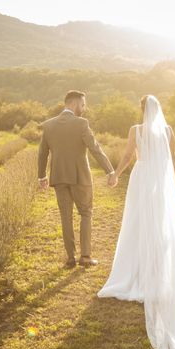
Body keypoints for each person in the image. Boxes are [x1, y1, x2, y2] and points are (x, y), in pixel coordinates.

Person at [97, 94, 175, 349]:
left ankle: (136, 273)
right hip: (161, 182)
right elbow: (173, 159)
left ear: (142, 110)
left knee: (138, 223)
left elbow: (129, 155)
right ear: (158, 109)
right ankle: (159, 271)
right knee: (162, 226)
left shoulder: (135, 130)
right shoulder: (169, 131)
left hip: (142, 178)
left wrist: (116, 173)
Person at [37, 90, 117, 269]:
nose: (84, 108)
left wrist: (41, 176)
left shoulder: (48, 125)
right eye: (83, 104)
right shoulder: (81, 123)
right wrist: (110, 171)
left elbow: (42, 153)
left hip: (58, 177)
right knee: (86, 213)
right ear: (73, 104)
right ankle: (86, 257)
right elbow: (95, 148)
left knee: (66, 217)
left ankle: (70, 258)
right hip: (80, 177)